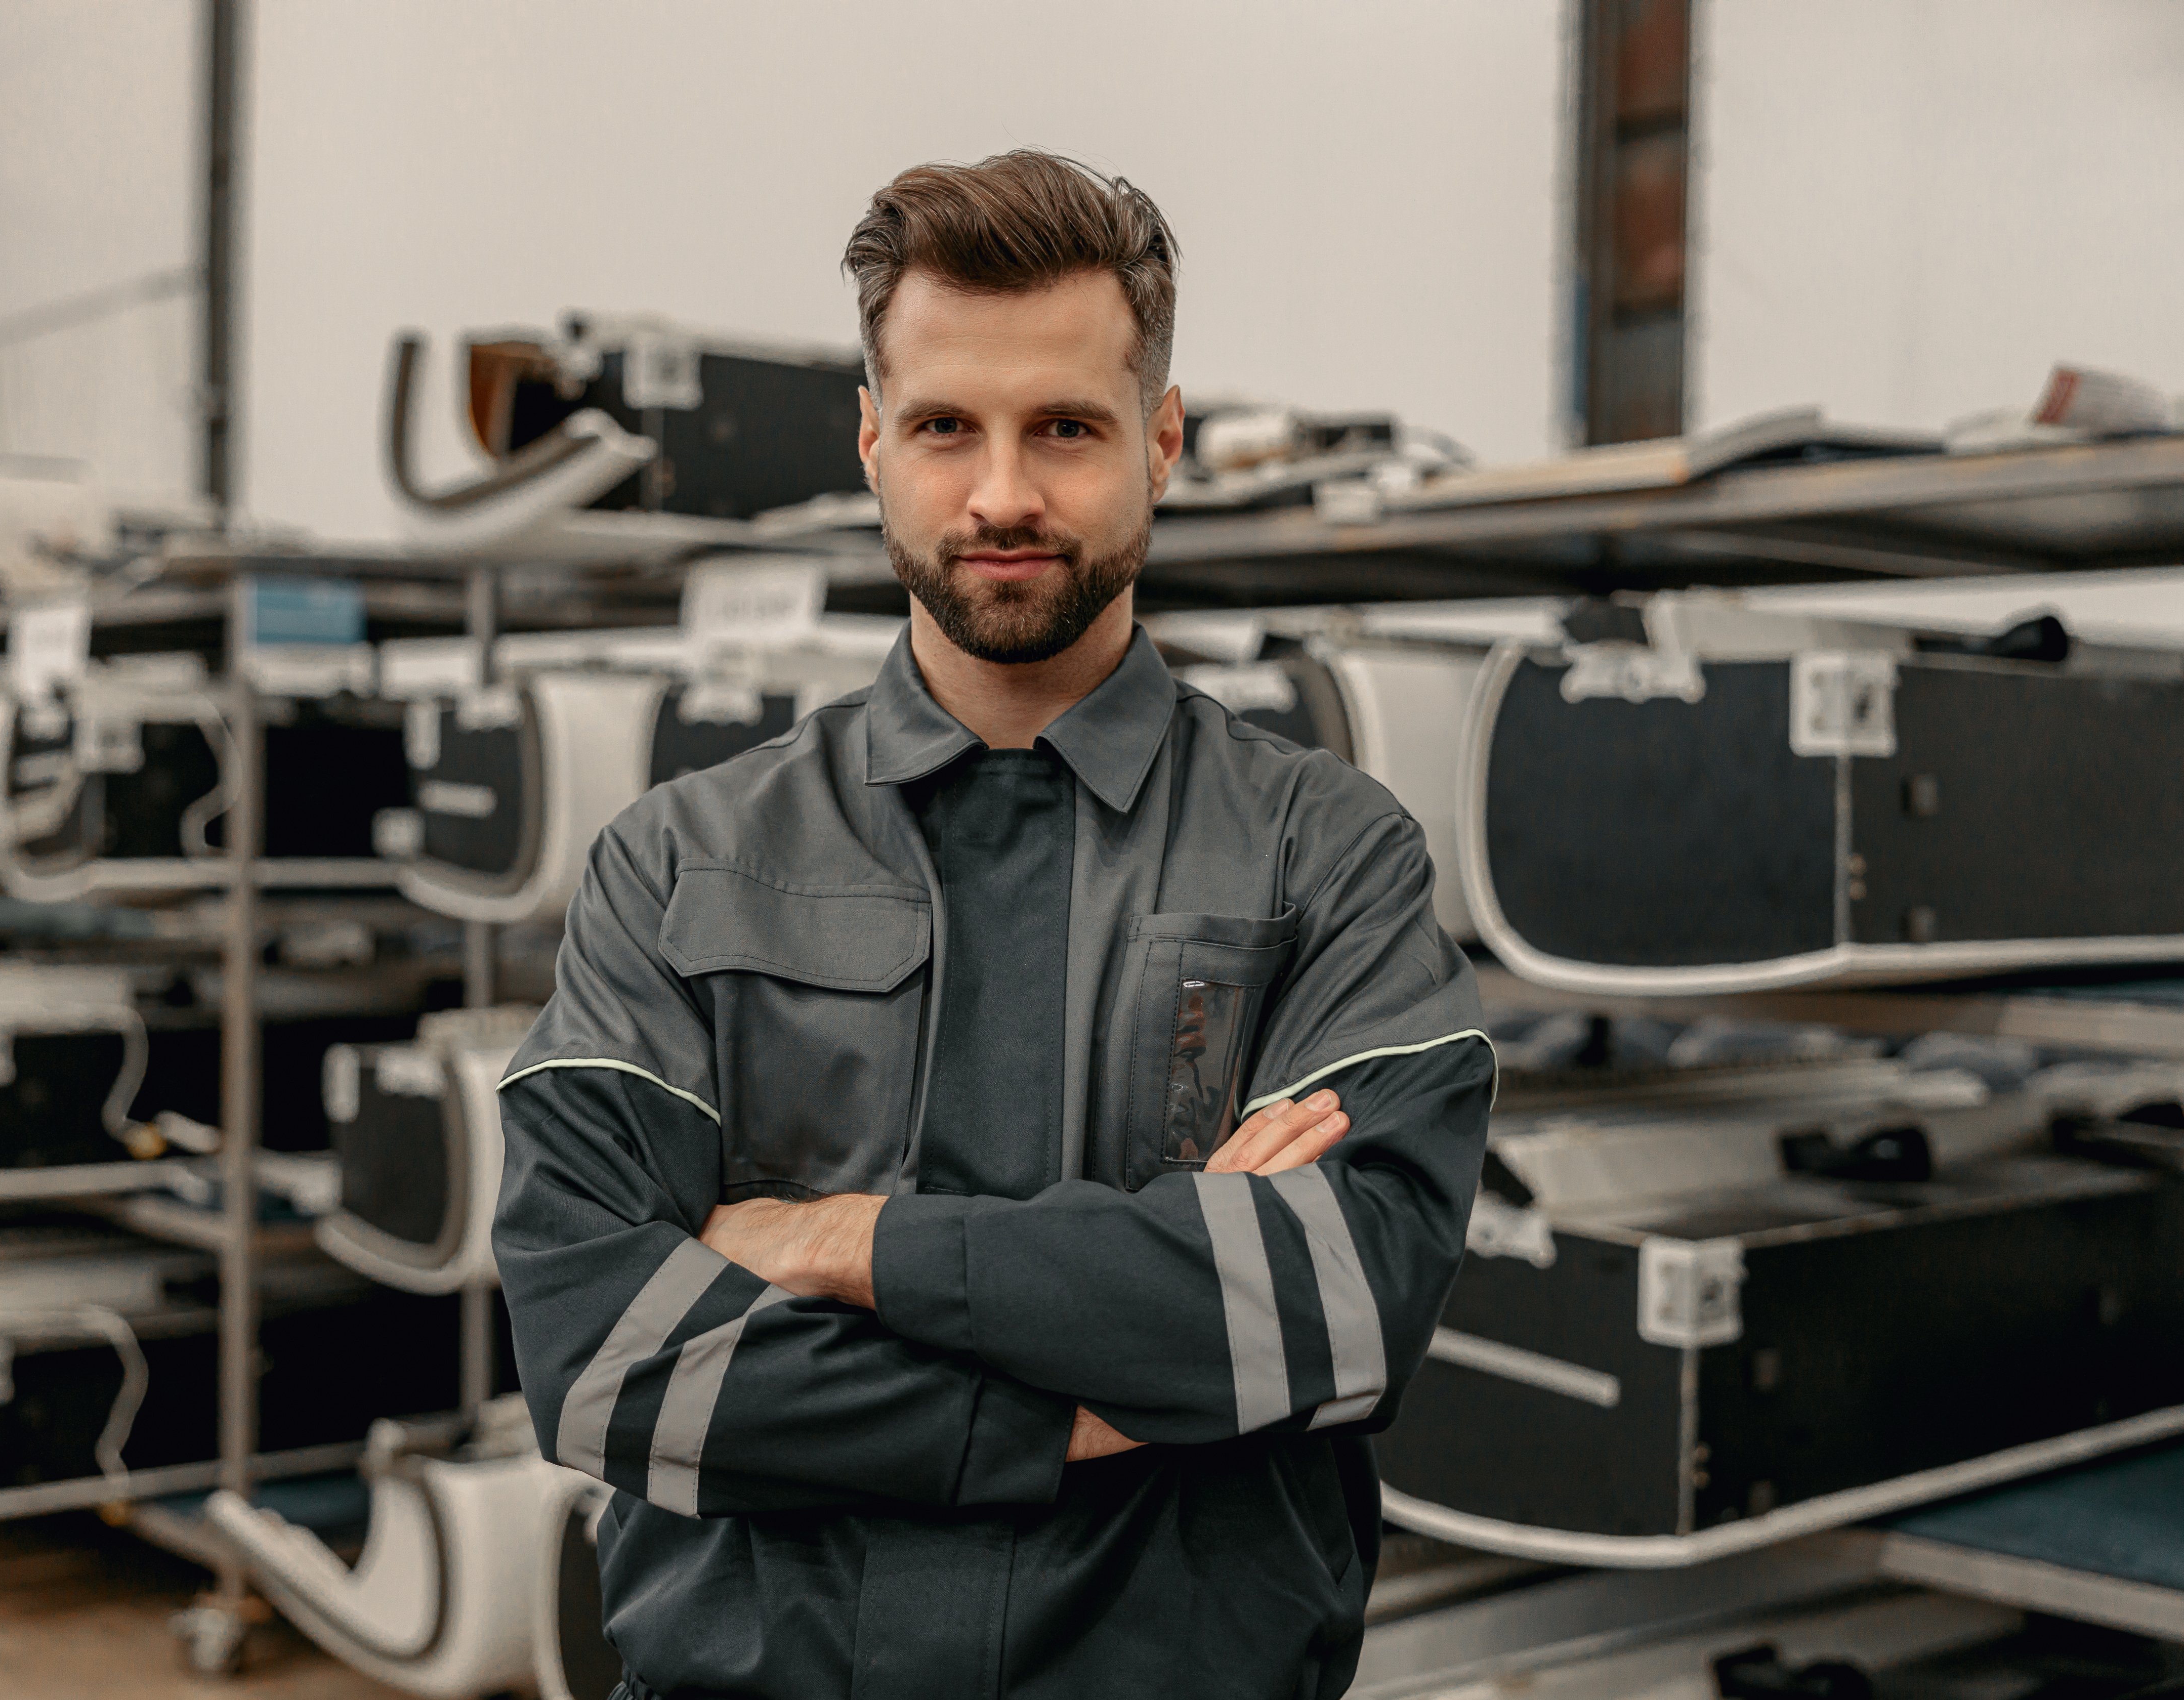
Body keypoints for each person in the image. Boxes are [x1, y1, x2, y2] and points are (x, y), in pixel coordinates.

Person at [494, 149, 1493, 1700]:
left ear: (1162, 443)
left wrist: (837, 1245)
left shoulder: (1326, 859)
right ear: (875, 442)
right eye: (950, 426)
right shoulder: (677, 863)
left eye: (1068, 429)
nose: (1006, 493)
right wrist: (1082, 1395)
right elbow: (602, 1356)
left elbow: (1333, 1307)